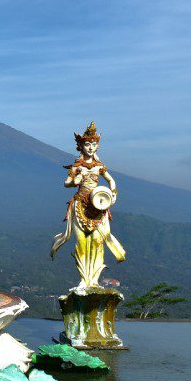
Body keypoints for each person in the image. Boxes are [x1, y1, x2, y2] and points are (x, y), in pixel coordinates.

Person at [51, 121, 125, 292]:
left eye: (93, 144)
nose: (90, 148)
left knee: (98, 242)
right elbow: (67, 182)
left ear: (97, 146)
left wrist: (113, 194)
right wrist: (76, 180)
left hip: (98, 206)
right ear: (81, 146)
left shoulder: (99, 166)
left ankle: (94, 280)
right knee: (82, 242)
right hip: (80, 206)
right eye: (87, 144)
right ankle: (84, 280)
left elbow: (111, 180)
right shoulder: (77, 165)